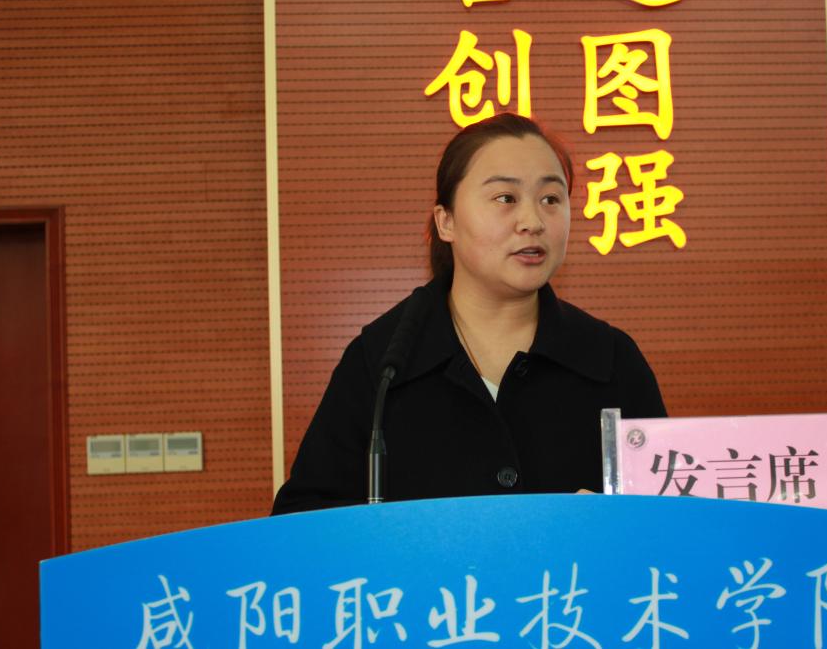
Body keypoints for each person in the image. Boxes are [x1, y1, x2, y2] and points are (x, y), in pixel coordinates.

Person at [272, 113, 666, 514]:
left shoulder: (611, 360)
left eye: (551, 199)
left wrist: (611, 525)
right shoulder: (383, 364)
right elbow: (303, 518)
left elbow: (670, 518)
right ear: (446, 222)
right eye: (505, 199)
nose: (532, 222)